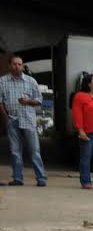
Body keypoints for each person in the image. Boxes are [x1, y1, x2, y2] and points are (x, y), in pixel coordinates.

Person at [0, 55, 48, 187]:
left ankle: (41, 178)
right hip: (12, 119)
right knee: (15, 151)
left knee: (34, 151)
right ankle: (18, 178)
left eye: (19, 64)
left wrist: (28, 101)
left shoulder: (31, 81)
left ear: (22, 66)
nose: (17, 66)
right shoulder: (2, 81)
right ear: (10, 66)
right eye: (14, 64)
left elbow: (39, 100)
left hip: (28, 119)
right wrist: (5, 117)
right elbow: (0, 101)